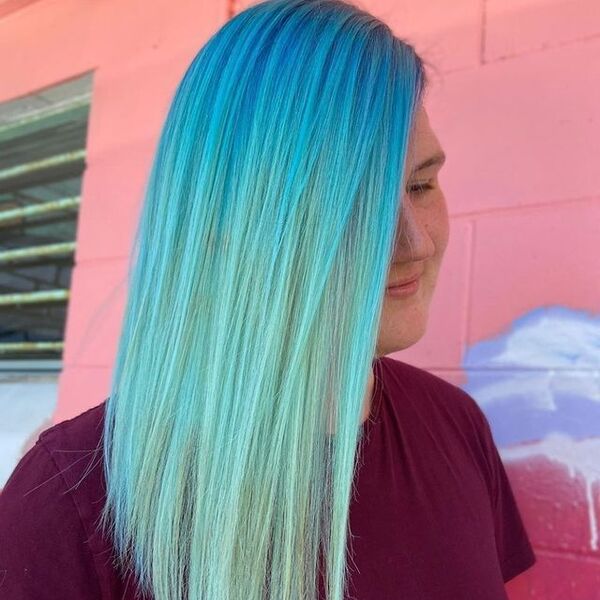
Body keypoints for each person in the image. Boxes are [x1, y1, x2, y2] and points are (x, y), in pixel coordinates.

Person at [0, 1, 536, 599]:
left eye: (420, 184)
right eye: (350, 202)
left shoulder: (456, 426)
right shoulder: (68, 500)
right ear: (232, 224)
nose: (413, 241)